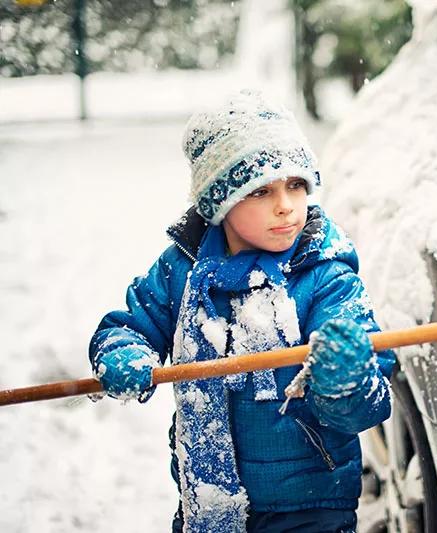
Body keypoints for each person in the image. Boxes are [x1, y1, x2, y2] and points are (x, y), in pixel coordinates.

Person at [89, 89, 395, 533]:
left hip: (311, 508)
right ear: (220, 202)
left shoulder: (324, 276)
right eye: (261, 190)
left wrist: (346, 380)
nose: (286, 205)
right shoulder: (183, 269)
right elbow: (130, 326)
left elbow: (364, 405)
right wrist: (122, 352)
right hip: (208, 504)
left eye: (296, 184)